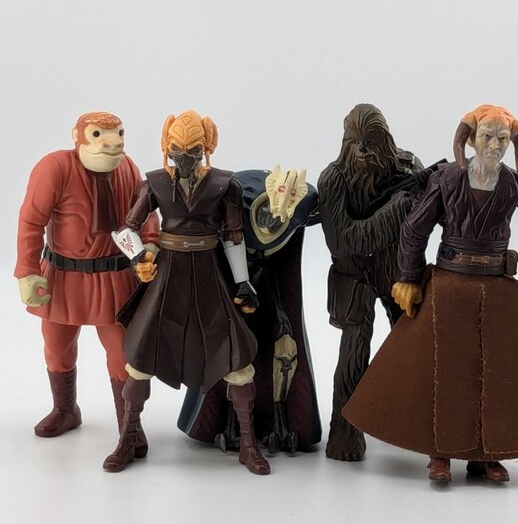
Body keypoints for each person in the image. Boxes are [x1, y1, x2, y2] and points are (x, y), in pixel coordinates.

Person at [343, 105, 518, 482]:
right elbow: (414, 229)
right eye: (487, 136)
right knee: (446, 370)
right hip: (450, 284)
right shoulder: (448, 179)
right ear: (470, 139)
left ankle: (490, 453)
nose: (494, 145)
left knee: (502, 370)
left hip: (499, 288)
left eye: (503, 139)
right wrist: (408, 277)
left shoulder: (515, 184)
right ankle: (440, 453)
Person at [104, 110, 270, 475]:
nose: (185, 158)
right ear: (167, 147)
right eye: (177, 149)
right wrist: (138, 258)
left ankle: (248, 444)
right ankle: (128, 437)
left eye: (193, 150)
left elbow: (233, 236)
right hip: (168, 277)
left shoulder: (225, 185)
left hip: (210, 275)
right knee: (140, 357)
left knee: (236, 359)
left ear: (206, 148)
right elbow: (127, 229)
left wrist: (242, 281)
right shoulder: (154, 184)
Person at [15, 112, 159, 443]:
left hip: (114, 276)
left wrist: (150, 245)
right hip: (64, 277)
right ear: (77, 136)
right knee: (57, 347)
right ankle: (65, 409)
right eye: (98, 135)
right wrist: (28, 271)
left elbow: (146, 211)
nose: (112, 143)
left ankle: (129, 426)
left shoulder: (128, 168)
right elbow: (31, 220)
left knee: (122, 353)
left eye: (118, 134)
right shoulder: (55, 168)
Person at [178, 166, 322, 454]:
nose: (273, 221)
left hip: (270, 273)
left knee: (284, 343)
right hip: (235, 276)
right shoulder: (236, 204)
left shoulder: (302, 207)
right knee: (230, 347)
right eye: (268, 215)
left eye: (281, 219)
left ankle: (280, 420)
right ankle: (229, 420)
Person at [318, 104, 429, 461]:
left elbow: (428, 219)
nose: (363, 150)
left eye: (371, 141)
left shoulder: (408, 168)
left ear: (386, 140)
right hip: (354, 277)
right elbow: (343, 241)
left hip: (400, 272)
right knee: (354, 355)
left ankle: (422, 425)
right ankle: (345, 432)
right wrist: (394, 212)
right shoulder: (333, 180)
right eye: (355, 142)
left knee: (416, 348)